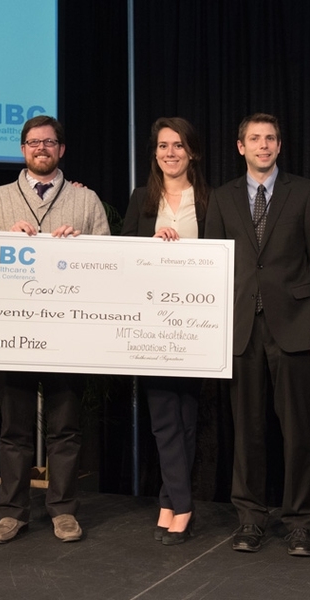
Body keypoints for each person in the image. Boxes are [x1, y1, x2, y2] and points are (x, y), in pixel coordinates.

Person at [0, 115, 109, 544]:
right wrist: (4, 242)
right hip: (11, 335)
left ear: (61, 149)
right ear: (22, 149)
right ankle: (12, 512)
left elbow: (109, 263)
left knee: (65, 428)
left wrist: (83, 247)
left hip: (67, 336)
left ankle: (63, 510)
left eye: (49, 142)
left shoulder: (86, 202)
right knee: (13, 430)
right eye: (33, 143)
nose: (41, 149)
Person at [205, 113, 310, 557]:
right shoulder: (221, 198)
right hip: (241, 329)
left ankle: (300, 522)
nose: (263, 145)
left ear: (279, 145)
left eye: (271, 138)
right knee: (248, 431)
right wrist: (216, 327)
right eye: (255, 139)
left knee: (298, 431)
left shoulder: (306, 192)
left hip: (296, 327)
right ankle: (250, 519)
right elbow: (214, 269)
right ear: (240, 146)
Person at [121, 117, 208, 545]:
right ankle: (182, 503)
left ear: (192, 151)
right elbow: (123, 256)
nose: (169, 153)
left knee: (187, 417)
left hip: (197, 324)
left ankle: (171, 500)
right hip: (150, 324)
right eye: (161, 146)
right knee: (161, 417)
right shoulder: (142, 199)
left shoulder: (212, 199)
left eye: (177, 145)